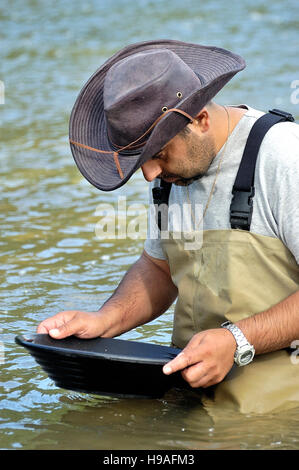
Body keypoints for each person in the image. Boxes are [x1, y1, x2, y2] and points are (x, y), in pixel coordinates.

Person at [37, 40, 299, 414]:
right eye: (138, 159)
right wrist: (104, 320)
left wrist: (237, 340)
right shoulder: (171, 176)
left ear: (200, 120)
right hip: (190, 389)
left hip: (281, 408)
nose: (149, 175)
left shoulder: (284, 156)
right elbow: (160, 268)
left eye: (157, 154)